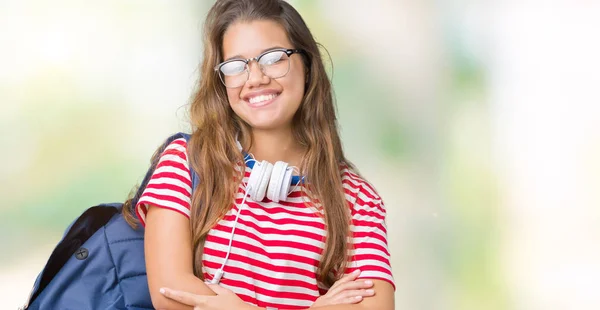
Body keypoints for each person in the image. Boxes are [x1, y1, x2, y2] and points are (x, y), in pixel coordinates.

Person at [121, 0, 395, 309]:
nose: (255, 78)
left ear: (306, 65)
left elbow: (375, 306)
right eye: (236, 66)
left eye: (274, 58)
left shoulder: (356, 197)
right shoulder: (185, 162)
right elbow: (170, 294)